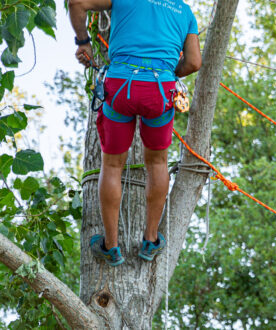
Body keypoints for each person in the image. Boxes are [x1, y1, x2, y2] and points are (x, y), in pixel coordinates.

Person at [69, 0, 202, 266]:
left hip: (120, 84)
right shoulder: (184, 11)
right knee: (157, 162)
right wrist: (166, 74)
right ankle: (150, 240)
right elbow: (194, 63)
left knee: (113, 164)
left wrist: (83, 41)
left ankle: (111, 245)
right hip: (160, 90)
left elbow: (77, 3)